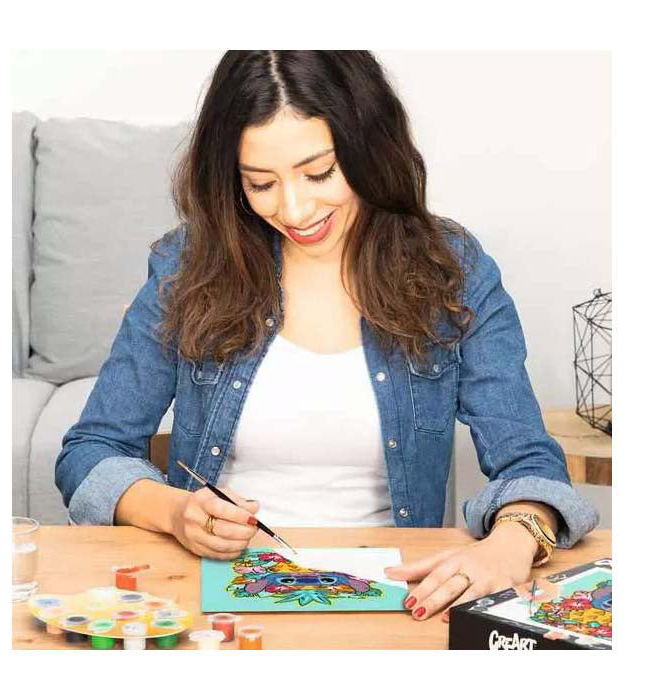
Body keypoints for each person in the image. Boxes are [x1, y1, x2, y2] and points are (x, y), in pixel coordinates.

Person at [55, 50, 598, 623]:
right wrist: (173, 511)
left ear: (370, 149)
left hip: (395, 603)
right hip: (219, 603)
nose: (295, 210)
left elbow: (528, 459)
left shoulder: (452, 270)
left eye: (319, 174)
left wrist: (512, 541)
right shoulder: (188, 265)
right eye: (261, 183)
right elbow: (91, 450)